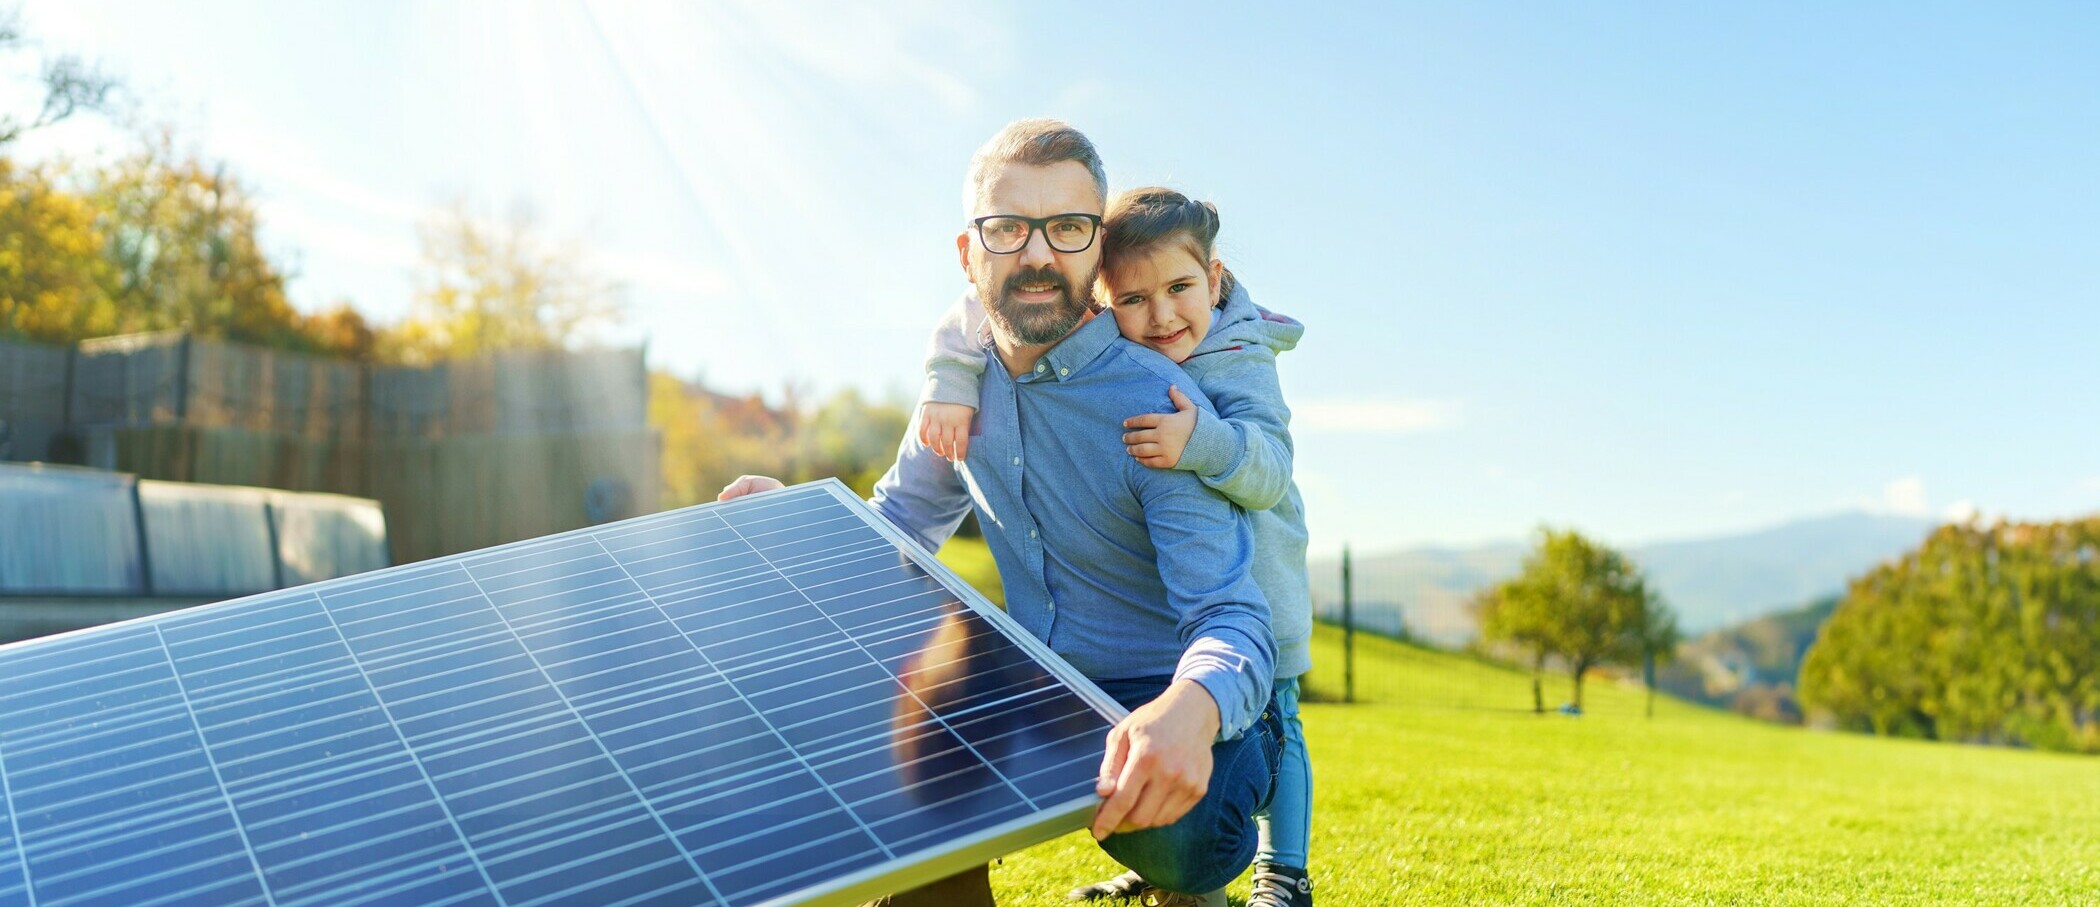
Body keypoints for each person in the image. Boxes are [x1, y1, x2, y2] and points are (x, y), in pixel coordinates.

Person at [719, 119, 1278, 907]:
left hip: (1159, 686)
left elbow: (1232, 614)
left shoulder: (1161, 407)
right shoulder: (958, 390)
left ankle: (1201, 855)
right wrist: (805, 519)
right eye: (1009, 228)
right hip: (1035, 681)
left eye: (1069, 228)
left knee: (1183, 839)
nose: (1039, 254)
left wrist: (1189, 710)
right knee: (932, 665)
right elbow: (898, 525)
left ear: (1097, 252)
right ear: (968, 254)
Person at [917, 187, 1315, 906]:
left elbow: (1270, 465)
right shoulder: (1072, 367)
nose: (1161, 316)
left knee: (1281, 716)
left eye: (1179, 289)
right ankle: (1149, 862)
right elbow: (970, 314)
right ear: (1101, 302)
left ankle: (1284, 870)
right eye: (1133, 299)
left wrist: (1202, 440)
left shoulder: (1238, 356)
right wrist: (947, 377)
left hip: (1262, 593)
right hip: (1158, 615)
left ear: (1215, 280)